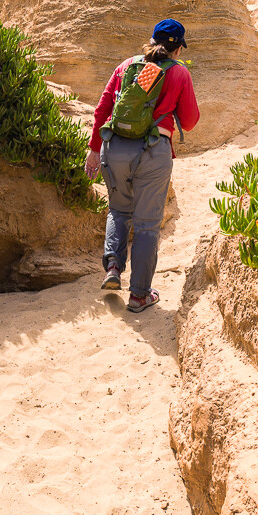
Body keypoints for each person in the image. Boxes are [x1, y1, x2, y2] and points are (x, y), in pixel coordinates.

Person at [84, 18, 200, 313]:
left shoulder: (127, 66)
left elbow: (103, 108)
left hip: (115, 148)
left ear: (151, 41)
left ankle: (112, 267)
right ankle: (139, 295)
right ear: (177, 49)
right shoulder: (179, 73)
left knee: (119, 211)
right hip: (152, 151)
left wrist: (94, 150)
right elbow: (189, 121)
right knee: (147, 225)